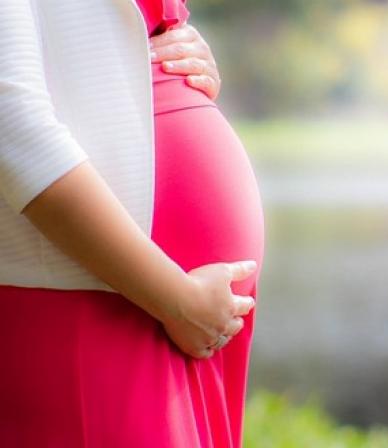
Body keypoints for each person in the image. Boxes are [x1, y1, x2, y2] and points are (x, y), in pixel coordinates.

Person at [0, 0, 265, 447]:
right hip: (98, 298)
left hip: (165, 307)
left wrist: (175, 50)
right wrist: (176, 300)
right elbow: (13, 128)